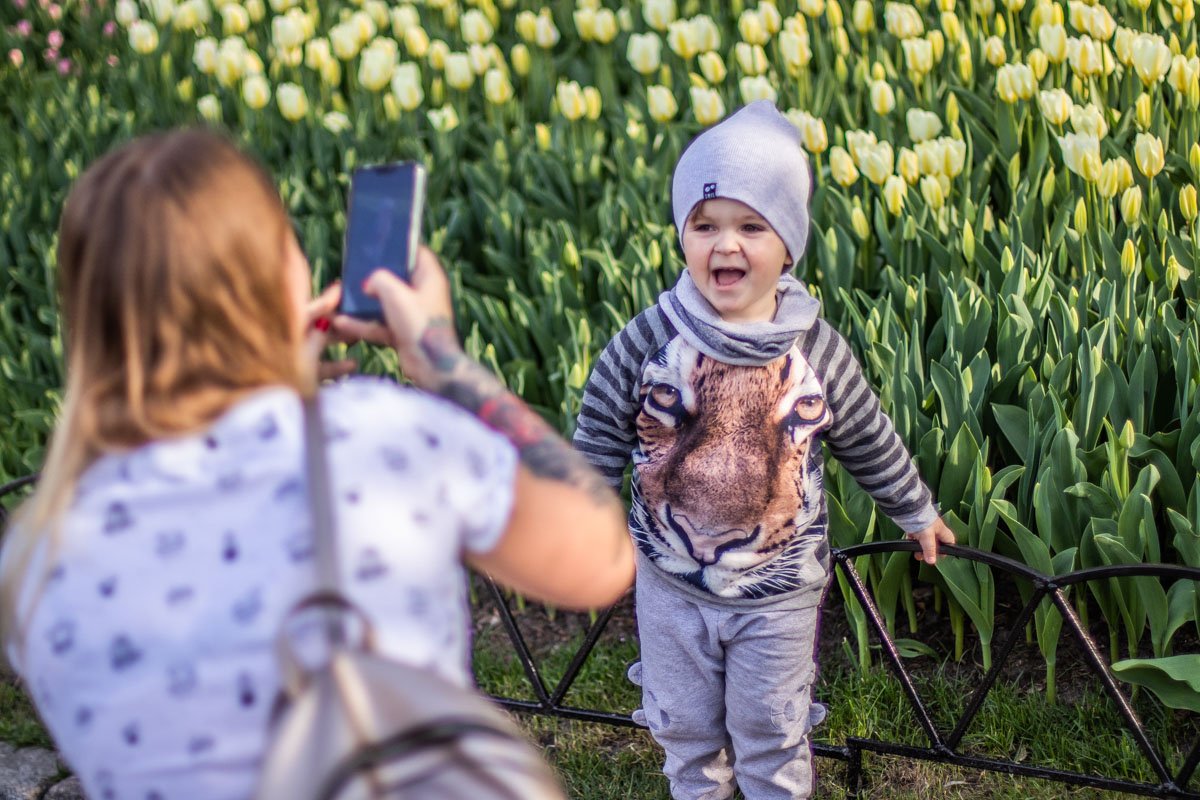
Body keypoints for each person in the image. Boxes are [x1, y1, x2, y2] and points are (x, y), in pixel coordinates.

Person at [0, 129, 634, 800]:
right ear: (283, 273)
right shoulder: (377, 437)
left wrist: (279, 388)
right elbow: (600, 556)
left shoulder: (35, 559)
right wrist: (442, 360)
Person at [572, 100, 956, 799]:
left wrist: (914, 508)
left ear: (788, 246)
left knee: (770, 730)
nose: (727, 245)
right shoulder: (650, 336)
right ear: (682, 238)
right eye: (705, 225)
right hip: (669, 583)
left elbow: (866, 434)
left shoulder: (816, 349)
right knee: (683, 726)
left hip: (779, 593)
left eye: (752, 226)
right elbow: (599, 426)